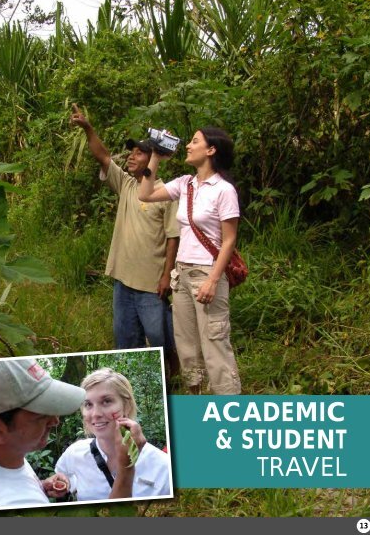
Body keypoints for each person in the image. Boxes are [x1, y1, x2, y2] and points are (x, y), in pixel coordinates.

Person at [70, 104, 180, 365]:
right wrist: (87, 128)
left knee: (159, 337)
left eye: (139, 153)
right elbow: (104, 157)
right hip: (123, 282)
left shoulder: (166, 193)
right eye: (131, 152)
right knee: (125, 338)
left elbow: (173, 237)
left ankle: (171, 376)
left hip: (151, 286)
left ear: (152, 159)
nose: (131, 157)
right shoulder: (127, 185)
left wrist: (167, 276)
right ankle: (132, 376)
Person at [138, 127, 242, 395]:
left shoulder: (223, 190)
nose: (188, 146)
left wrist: (213, 280)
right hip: (181, 275)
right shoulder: (186, 184)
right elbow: (145, 194)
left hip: (206, 274)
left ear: (211, 150)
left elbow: (229, 240)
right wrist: (156, 158)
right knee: (186, 345)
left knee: (215, 344)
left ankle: (229, 408)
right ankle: (196, 404)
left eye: (195, 142)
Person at [0, 357, 141, 510]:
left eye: (107, 401)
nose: (55, 421)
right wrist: (126, 468)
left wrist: (39, 486)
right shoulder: (15, 503)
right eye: (41, 415)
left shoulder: (0, 451)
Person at [55, 368, 172, 501]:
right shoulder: (74, 454)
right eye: (88, 404)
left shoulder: (163, 467)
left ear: (126, 406)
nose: (96, 414)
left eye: (106, 401)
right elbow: (61, 479)